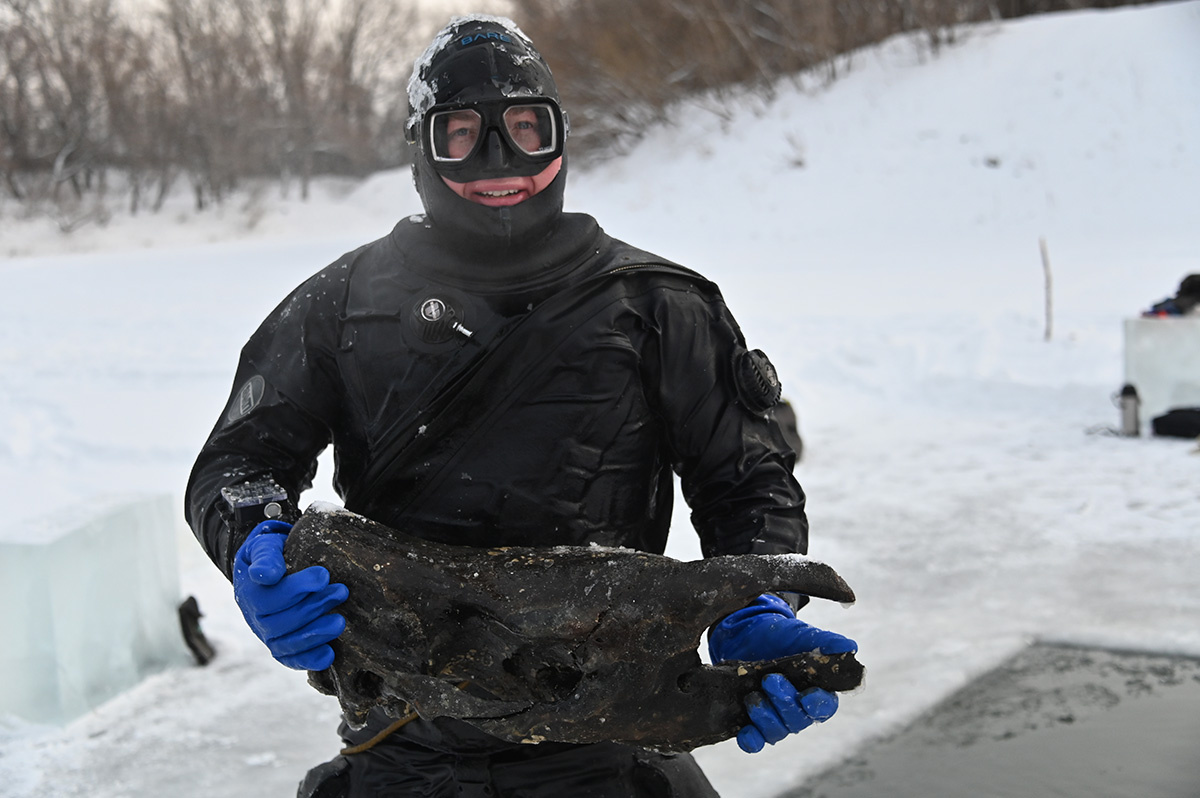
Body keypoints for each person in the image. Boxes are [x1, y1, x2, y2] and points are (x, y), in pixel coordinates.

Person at [185, 14, 856, 798]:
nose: (500, 161)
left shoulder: (656, 305)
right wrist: (254, 543)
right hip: (402, 737)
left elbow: (743, 480)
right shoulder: (340, 305)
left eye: (526, 128)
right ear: (420, 148)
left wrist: (754, 603)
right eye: (462, 133)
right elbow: (240, 462)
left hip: (614, 739)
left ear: (561, 139)